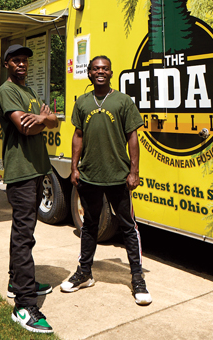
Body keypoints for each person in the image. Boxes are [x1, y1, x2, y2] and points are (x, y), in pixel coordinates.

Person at [61, 55, 152, 306]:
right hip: (89, 175)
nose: (100, 72)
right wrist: (74, 167)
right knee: (89, 225)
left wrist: (134, 171)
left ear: (111, 73)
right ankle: (84, 272)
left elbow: (133, 138)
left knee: (127, 226)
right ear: (89, 73)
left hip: (117, 176)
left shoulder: (123, 101)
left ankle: (137, 278)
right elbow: (78, 136)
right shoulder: (81, 103)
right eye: (96, 68)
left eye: (105, 69)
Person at [0, 44, 59, 334]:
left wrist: (43, 119)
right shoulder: (6, 92)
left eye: (25, 61)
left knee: (25, 232)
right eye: (16, 60)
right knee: (24, 236)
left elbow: (53, 121)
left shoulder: (29, 92)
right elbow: (25, 127)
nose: (22, 64)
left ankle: (17, 280)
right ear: (7, 64)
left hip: (36, 170)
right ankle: (24, 305)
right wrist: (40, 120)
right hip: (21, 172)